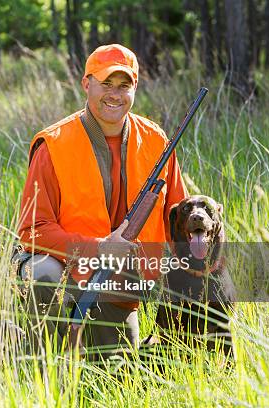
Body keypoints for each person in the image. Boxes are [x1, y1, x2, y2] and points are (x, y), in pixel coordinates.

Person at [14, 44, 188, 357]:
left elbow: (179, 222)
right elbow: (32, 231)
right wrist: (99, 249)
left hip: (119, 285)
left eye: (124, 85)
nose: (114, 94)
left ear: (135, 88)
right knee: (42, 274)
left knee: (114, 375)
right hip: (66, 270)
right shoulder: (54, 145)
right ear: (86, 84)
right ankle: (43, 367)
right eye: (106, 83)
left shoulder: (156, 142)